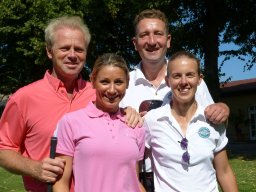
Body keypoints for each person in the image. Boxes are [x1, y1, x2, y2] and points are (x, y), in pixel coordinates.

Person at [0, 16, 142, 192]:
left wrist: (128, 112)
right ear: (49, 51)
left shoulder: (99, 93)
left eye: (79, 49)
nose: (73, 55)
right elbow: (3, 149)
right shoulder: (24, 98)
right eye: (65, 48)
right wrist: (34, 168)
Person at [120, 9, 230, 191]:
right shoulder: (122, 85)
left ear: (168, 40)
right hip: (135, 178)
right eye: (144, 35)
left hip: (187, 178)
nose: (152, 41)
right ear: (135, 43)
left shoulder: (190, 83)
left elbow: (213, 124)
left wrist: (224, 109)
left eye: (158, 34)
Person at [144, 51, 238, 192]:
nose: (184, 82)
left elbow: (224, 172)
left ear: (199, 79)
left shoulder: (212, 120)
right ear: (167, 81)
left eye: (190, 75)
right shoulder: (152, 120)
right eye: (177, 76)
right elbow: (133, 168)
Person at [52, 53, 146, 192]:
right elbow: (61, 183)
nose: (112, 90)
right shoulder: (71, 122)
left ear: (127, 82)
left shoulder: (135, 125)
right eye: (105, 82)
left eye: (119, 82)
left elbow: (134, 180)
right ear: (93, 80)